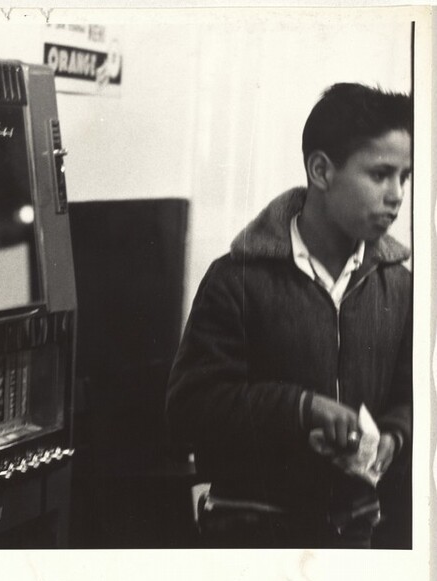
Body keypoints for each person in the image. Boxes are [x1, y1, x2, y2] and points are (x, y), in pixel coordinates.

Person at [166, 83, 412, 548]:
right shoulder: (236, 278)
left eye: (405, 177)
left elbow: (414, 397)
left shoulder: (400, 286)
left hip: (359, 537)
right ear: (321, 170)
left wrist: (396, 437)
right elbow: (188, 412)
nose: (396, 195)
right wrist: (302, 409)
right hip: (254, 535)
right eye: (380, 174)